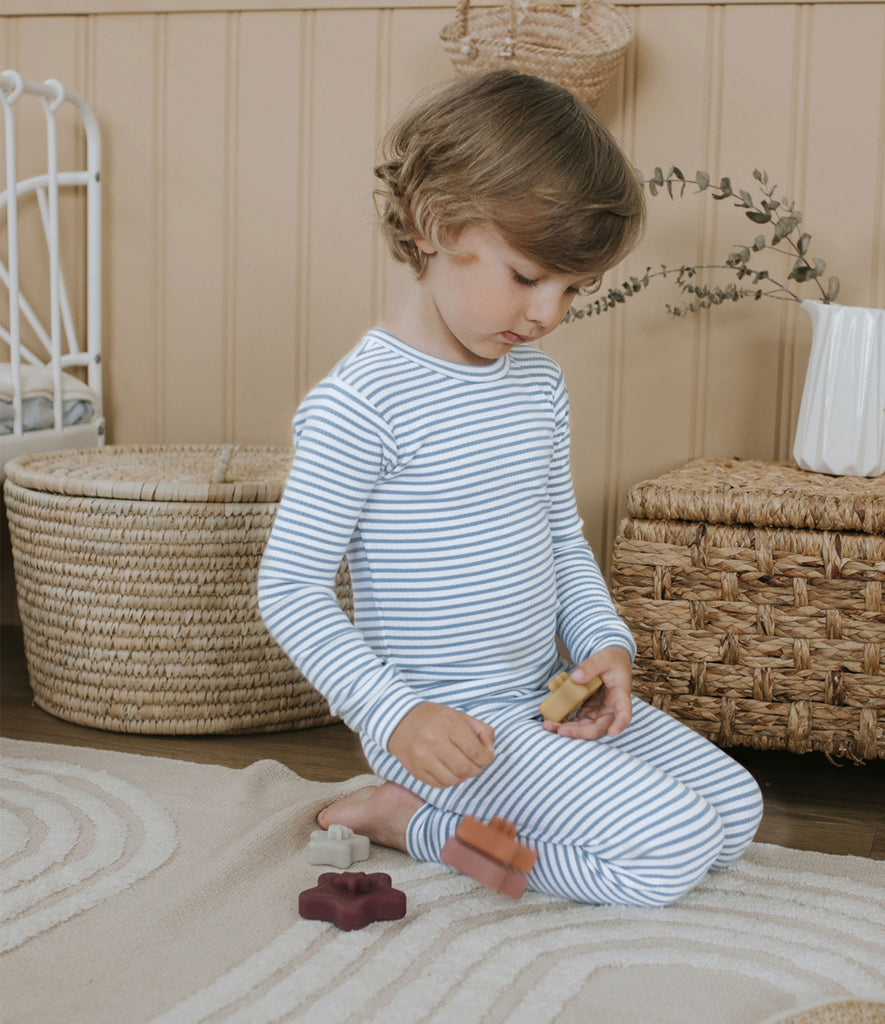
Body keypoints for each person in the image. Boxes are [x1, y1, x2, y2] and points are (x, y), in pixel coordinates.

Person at [258, 69, 762, 908]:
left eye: (572, 290)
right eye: (528, 277)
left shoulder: (537, 385)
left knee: (735, 816)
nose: (547, 314)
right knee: (671, 853)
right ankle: (416, 823)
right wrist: (395, 719)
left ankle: (470, 814)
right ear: (431, 224)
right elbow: (291, 589)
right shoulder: (362, 405)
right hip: (457, 732)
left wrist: (605, 647)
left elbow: (561, 538)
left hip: (548, 699)